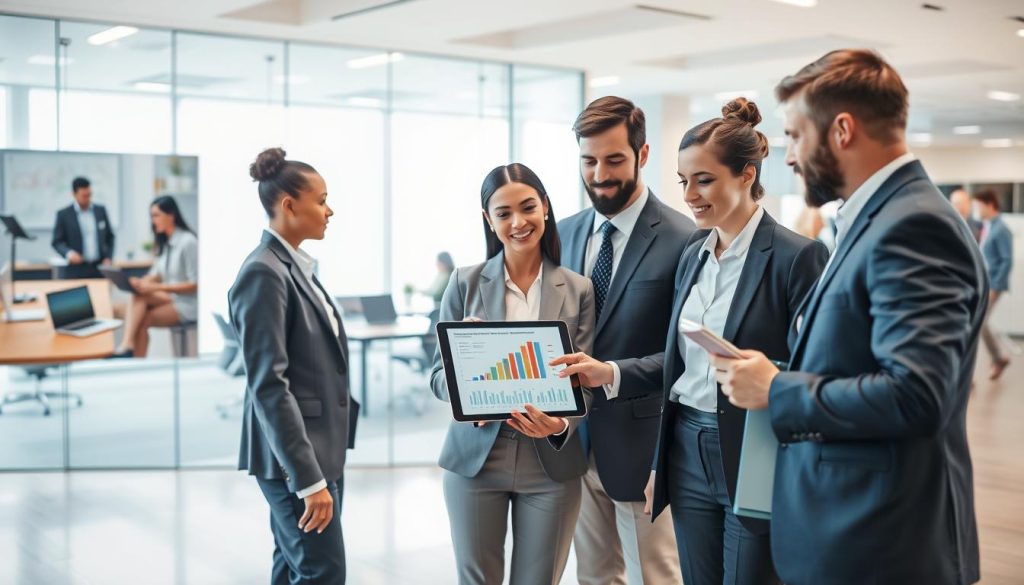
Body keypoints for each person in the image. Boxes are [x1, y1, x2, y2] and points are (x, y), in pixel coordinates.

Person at [712, 50, 985, 585]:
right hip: (852, 534)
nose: (788, 157)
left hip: (880, 546)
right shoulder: (876, 218)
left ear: (841, 130)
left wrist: (778, 389)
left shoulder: (913, 227)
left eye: (794, 136)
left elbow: (916, 395)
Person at [557, 98, 828, 585]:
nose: (690, 195)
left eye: (704, 180)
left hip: (750, 446)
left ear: (746, 175)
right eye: (684, 181)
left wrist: (769, 374)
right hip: (684, 446)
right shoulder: (694, 255)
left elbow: (817, 369)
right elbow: (680, 365)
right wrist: (661, 455)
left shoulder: (796, 257)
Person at [429, 163, 595, 585]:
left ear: (545, 208)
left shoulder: (578, 289)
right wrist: (462, 373)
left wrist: (560, 424)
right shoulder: (464, 284)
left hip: (551, 465)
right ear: (489, 220)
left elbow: (585, 379)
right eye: (503, 213)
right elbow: (436, 377)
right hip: (476, 459)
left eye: (528, 208)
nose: (518, 223)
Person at [552, 95, 693, 585]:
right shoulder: (563, 235)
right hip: (572, 443)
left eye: (614, 160)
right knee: (592, 576)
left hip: (643, 447)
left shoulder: (683, 239)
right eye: (588, 161)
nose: (599, 174)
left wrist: (612, 374)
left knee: (653, 576)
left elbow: (686, 357)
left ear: (643, 154)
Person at [230, 147, 352, 584]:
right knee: (322, 573)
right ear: (288, 206)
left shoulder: (294, 266)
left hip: (317, 451)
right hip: (294, 462)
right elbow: (268, 385)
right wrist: (307, 480)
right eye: (321, 200)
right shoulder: (264, 273)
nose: (329, 210)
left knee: (292, 565)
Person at [112, 196, 197, 358]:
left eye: (156, 215)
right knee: (139, 304)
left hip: (188, 304)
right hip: (171, 298)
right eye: (152, 216)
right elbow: (156, 274)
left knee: (140, 310)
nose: (153, 221)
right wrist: (142, 282)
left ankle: (127, 347)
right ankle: (131, 353)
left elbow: (196, 284)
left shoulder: (188, 242)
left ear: (171, 215)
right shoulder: (166, 243)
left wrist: (155, 287)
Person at [973, 188, 1013, 379]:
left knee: (979, 323)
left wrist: (995, 287)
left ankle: (998, 358)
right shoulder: (987, 226)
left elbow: (1006, 260)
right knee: (981, 322)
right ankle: (998, 358)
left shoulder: (1001, 229)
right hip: (983, 284)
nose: (977, 209)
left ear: (990, 205)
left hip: (993, 285)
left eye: (980, 205)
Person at [51, 176, 115, 279]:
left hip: (99, 269)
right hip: (76, 270)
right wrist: (69, 254)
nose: (87, 199)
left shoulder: (100, 211)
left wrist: (108, 257)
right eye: (84, 196)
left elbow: (110, 237)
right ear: (74, 194)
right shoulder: (64, 214)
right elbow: (57, 242)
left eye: (89, 195)